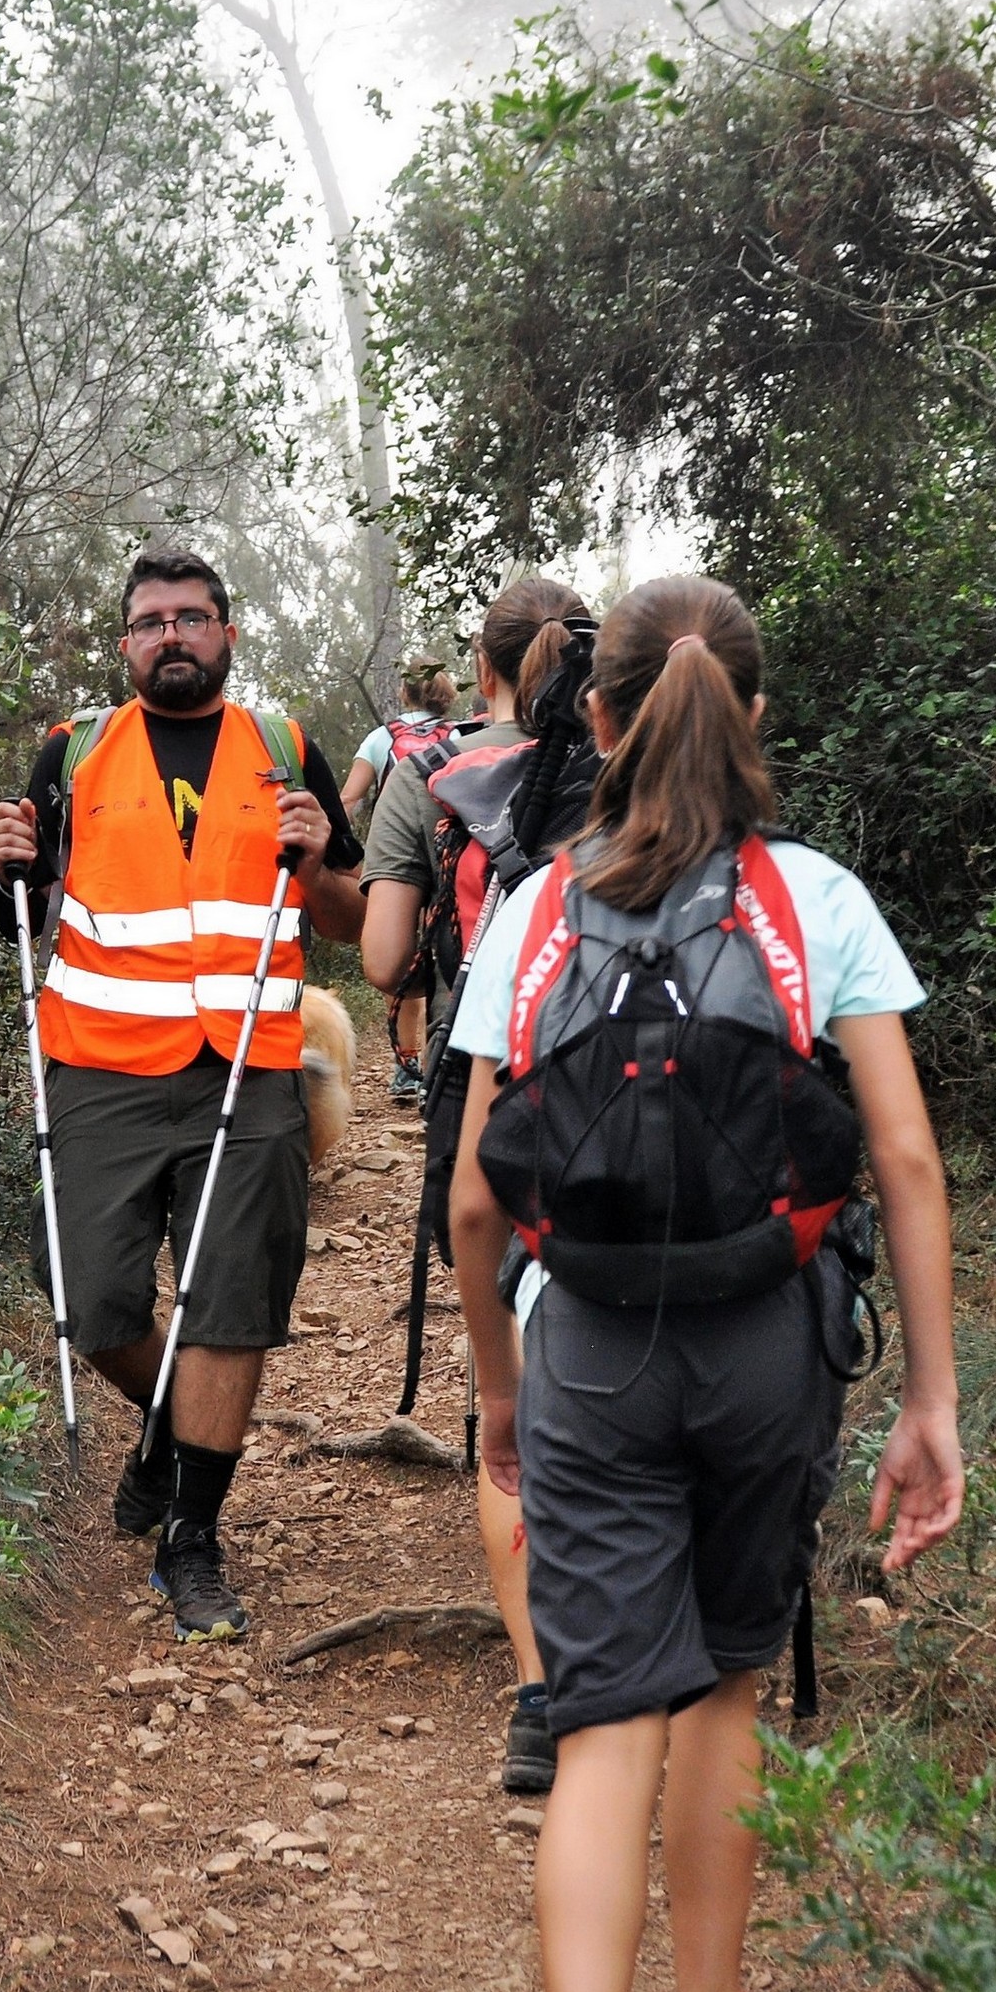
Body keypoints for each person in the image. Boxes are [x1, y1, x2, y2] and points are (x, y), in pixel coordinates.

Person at [442, 576, 963, 1992]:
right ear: (757, 716)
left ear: (597, 718)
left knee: (605, 1725)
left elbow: (476, 1199)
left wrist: (499, 1390)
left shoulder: (540, 906)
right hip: (765, 1343)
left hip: (589, 1347)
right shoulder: (816, 899)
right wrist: (931, 1402)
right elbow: (906, 1160)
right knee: (724, 1689)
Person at [0, 547, 368, 1643]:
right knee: (85, 1292)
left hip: (248, 1066)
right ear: (127, 645)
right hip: (99, 1065)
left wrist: (317, 858)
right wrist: (3, 861)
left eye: (191, 618)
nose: (172, 637)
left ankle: (191, 1538)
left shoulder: (283, 748)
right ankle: (165, 1427)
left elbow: (347, 922)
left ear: (226, 635)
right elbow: (20, 912)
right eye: (151, 622)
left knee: (230, 1302)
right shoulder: (74, 752)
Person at [355, 574, 590, 1796]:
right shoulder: (630, 758)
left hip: (485, 1085)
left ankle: (543, 1689)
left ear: (482, 669)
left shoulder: (431, 772)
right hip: (632, 1090)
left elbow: (383, 957)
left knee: (509, 1392)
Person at [342, 663, 465, 1107]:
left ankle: (406, 1064)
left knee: (402, 954)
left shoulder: (382, 737)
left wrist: (346, 853)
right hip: (452, 851)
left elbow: (350, 797)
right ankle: (446, 1053)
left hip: (399, 856)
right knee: (449, 948)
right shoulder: (459, 734)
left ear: (404, 692)